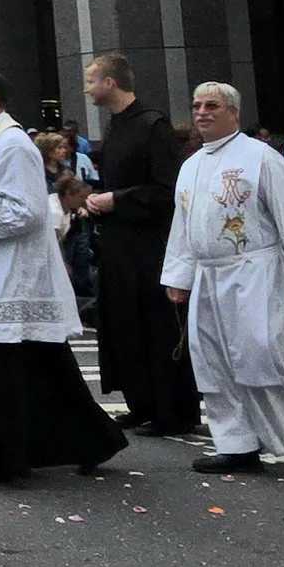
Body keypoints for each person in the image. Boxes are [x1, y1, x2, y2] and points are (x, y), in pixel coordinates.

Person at [0, 69, 128, 487]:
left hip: (8, 275)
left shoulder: (11, 143)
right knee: (40, 367)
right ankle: (88, 440)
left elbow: (27, 212)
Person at [160, 81, 284, 474]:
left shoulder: (260, 157)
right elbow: (184, 224)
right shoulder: (191, 166)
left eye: (212, 105)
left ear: (233, 112)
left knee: (266, 356)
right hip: (209, 275)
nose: (202, 112)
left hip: (256, 271)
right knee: (213, 363)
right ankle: (237, 443)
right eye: (197, 105)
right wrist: (178, 274)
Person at [79, 53, 198, 436]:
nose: (86, 88)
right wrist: (99, 201)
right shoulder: (116, 127)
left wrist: (117, 199)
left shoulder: (153, 125)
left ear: (110, 83)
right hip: (118, 242)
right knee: (124, 324)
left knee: (155, 326)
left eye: (91, 80)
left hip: (150, 246)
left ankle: (171, 409)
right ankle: (141, 402)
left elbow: (167, 190)